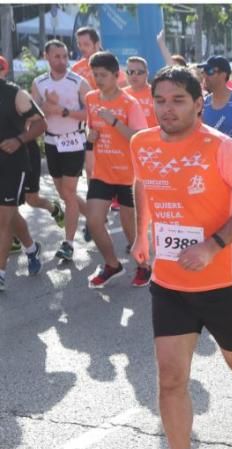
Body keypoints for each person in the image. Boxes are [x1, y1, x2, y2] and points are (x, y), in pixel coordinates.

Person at [130, 66, 232, 449]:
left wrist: (213, 246)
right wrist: (142, 233)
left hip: (221, 283)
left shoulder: (224, 148)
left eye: (178, 100)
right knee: (171, 377)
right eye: (160, 100)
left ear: (198, 103)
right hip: (170, 283)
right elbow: (143, 184)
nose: (167, 109)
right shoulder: (143, 143)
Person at [82, 51, 150, 289]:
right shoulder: (91, 99)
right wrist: (89, 137)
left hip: (129, 176)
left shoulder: (129, 103)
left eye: (103, 75)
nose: (98, 79)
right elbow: (90, 130)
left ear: (116, 75)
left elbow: (138, 138)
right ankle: (112, 264)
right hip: (102, 172)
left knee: (131, 231)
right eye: (95, 75)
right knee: (93, 221)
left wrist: (114, 122)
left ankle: (143, 266)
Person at [32, 39, 89, 262]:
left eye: (65, 56)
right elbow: (32, 113)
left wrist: (62, 110)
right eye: (57, 57)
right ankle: (94, 221)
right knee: (66, 194)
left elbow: (90, 114)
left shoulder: (78, 82)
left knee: (68, 191)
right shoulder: (39, 82)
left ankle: (69, 243)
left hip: (74, 140)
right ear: (47, 57)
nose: (62, 61)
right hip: (52, 142)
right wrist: (45, 108)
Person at [0, 69, 47, 291]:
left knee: (3, 219)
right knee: (9, 215)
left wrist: (19, 139)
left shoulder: (15, 94)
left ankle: (0, 274)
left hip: (11, 165)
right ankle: (31, 249)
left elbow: (40, 124)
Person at [123, 56, 156, 128]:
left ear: (147, 73)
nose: (134, 76)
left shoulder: (156, 93)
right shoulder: (121, 94)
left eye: (139, 72)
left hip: (150, 137)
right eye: (130, 72)